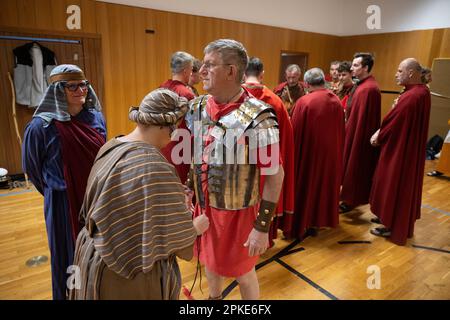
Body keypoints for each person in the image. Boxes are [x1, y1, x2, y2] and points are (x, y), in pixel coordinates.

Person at [68, 88, 209, 300]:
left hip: (89, 254)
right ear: (165, 125)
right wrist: (195, 228)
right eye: (175, 127)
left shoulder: (111, 145)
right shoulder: (155, 165)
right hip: (123, 271)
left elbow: (121, 203)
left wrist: (166, 194)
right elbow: (174, 239)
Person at [186, 39, 284, 300]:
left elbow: (275, 175)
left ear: (231, 71)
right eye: (201, 64)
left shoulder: (258, 116)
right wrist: (189, 191)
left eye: (209, 65)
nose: (201, 70)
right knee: (209, 261)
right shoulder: (197, 107)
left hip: (239, 212)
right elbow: (197, 154)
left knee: (244, 272)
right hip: (205, 207)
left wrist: (262, 226)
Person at [22, 64, 106, 300]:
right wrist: (57, 189)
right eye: (72, 86)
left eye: (84, 84)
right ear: (58, 90)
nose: (81, 90)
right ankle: (71, 295)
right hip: (62, 204)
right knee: (67, 255)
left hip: (94, 200)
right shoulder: (41, 126)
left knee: (96, 252)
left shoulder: (95, 117)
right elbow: (33, 169)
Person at [369, 58, 431, 245]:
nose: (396, 74)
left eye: (399, 70)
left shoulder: (412, 97)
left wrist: (379, 136)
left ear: (411, 73)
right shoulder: (421, 92)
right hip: (408, 149)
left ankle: (391, 224)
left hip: (399, 151)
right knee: (397, 185)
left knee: (392, 183)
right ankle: (389, 218)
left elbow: (393, 123)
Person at [243, 57, 295, 247]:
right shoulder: (275, 100)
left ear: (242, 72)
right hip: (266, 165)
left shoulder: (234, 97)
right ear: (262, 74)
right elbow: (285, 140)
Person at [290, 68, 345, 239]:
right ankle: (318, 220)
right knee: (323, 187)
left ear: (306, 84)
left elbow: (294, 132)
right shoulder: (336, 100)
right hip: (330, 155)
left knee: (307, 187)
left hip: (309, 155)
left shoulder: (305, 102)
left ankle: (302, 222)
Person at [339, 53, 381, 213]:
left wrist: (353, 137)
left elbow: (364, 120)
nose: (352, 68)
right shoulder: (362, 85)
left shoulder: (369, 89)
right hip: (352, 131)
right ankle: (348, 197)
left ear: (365, 68)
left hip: (359, 137)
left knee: (355, 167)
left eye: (356, 65)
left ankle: (351, 199)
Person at [160, 51, 195, 184]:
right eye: (191, 70)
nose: (191, 74)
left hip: (162, 143)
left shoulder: (161, 87)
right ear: (186, 71)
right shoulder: (187, 94)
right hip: (181, 147)